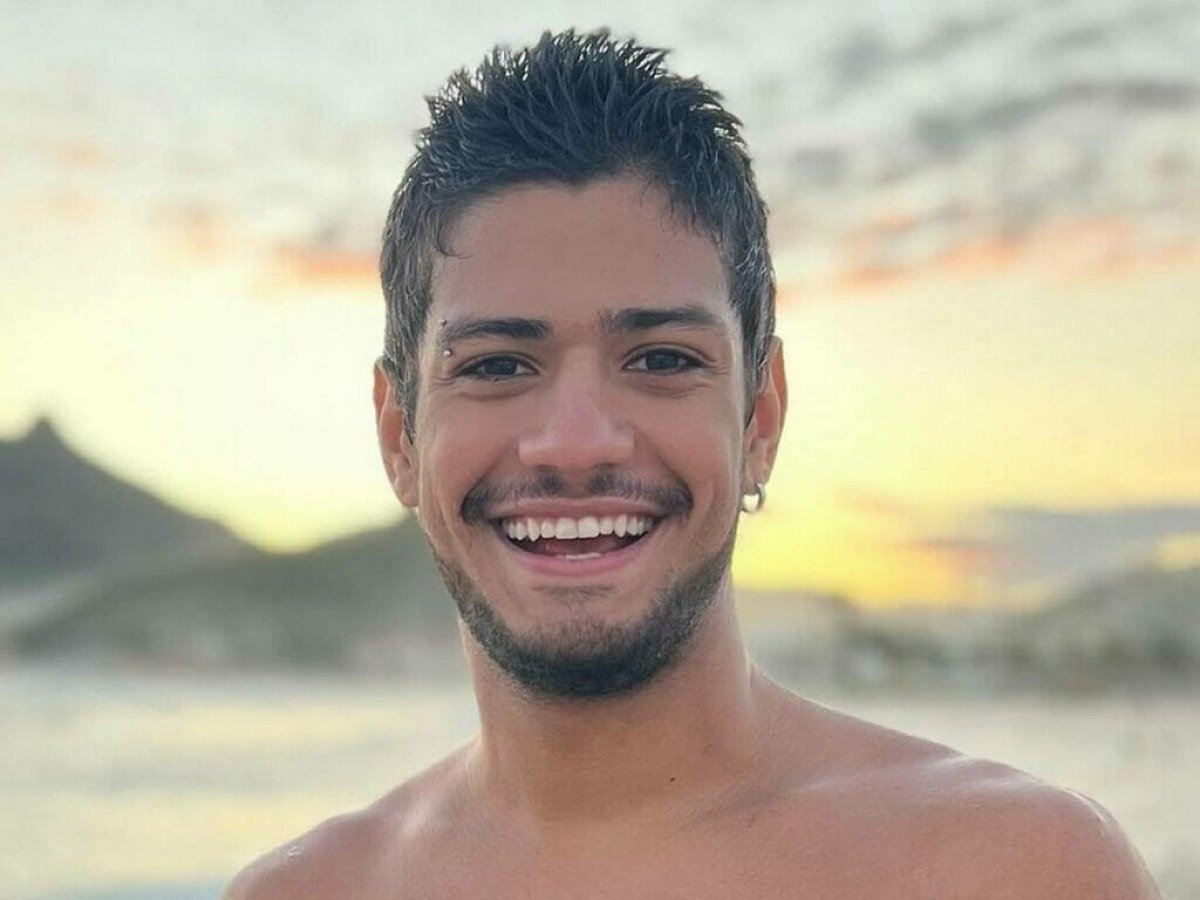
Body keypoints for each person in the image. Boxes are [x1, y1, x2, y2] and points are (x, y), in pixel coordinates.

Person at [225, 29, 1159, 898]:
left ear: (760, 417)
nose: (577, 443)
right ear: (399, 435)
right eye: (498, 366)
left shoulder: (1012, 868)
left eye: (661, 359)